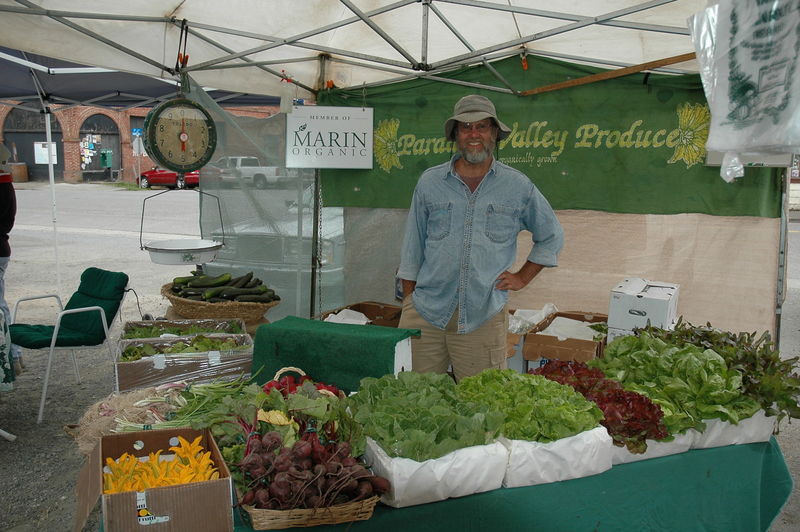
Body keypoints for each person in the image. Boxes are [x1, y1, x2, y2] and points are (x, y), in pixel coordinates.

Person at [397, 94, 564, 382]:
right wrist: (410, 301)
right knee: (414, 400)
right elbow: (413, 246)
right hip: (426, 312)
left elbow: (551, 236)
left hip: (483, 315)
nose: (474, 134)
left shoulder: (517, 185)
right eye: (466, 127)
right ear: (456, 135)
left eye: (483, 127)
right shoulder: (430, 182)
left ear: (495, 134)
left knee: (483, 407)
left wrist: (522, 277)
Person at [0, 170, 22, 376]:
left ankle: (12, 357)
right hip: (2, 247)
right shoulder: (6, 182)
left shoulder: (3, 182)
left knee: (0, 308)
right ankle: (13, 355)